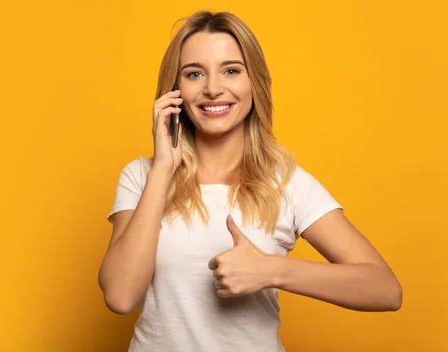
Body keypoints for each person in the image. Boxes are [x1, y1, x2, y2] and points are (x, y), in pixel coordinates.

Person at [98, 10, 402, 352]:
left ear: (254, 83)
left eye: (231, 71)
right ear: (175, 90)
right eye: (194, 74)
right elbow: (120, 295)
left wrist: (272, 271)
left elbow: (386, 290)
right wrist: (163, 170)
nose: (213, 89)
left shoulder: (287, 184)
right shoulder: (142, 176)